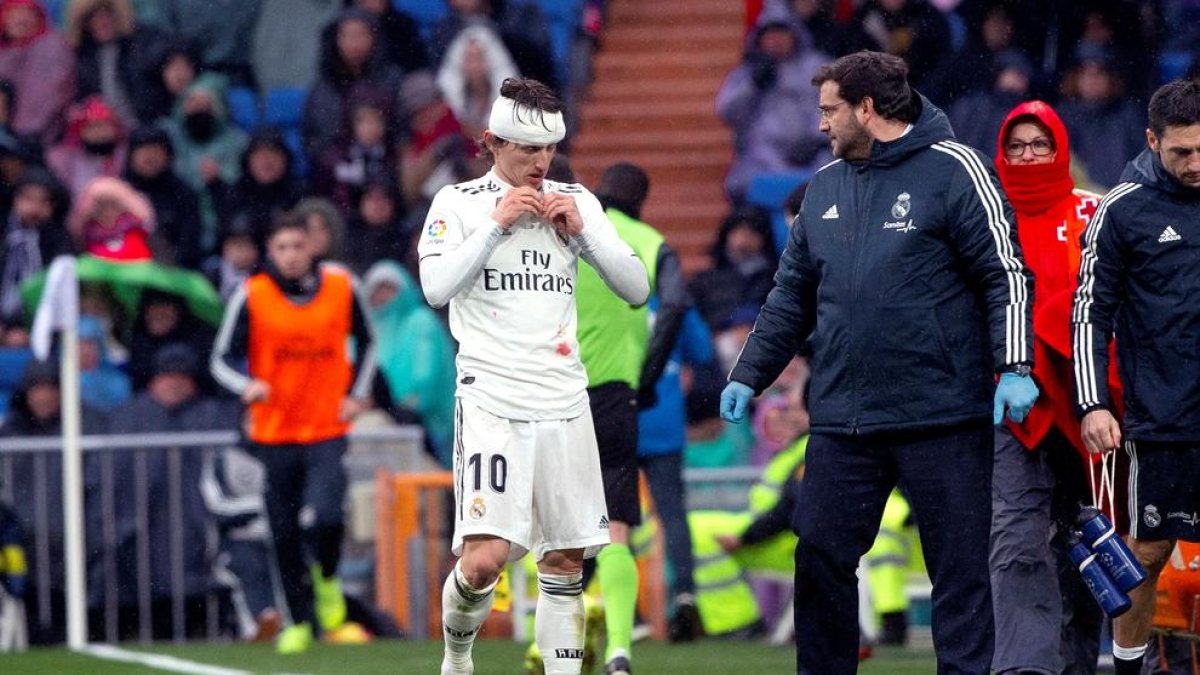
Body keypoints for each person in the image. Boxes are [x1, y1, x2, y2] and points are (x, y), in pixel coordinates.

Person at [719, 51, 1037, 675]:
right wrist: (749, 373)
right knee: (818, 554)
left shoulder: (957, 170)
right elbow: (791, 295)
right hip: (844, 418)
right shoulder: (826, 187)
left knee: (959, 572)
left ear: (868, 109)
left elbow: (1006, 274)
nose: (821, 126)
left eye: (830, 111)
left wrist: (1015, 365)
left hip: (941, 413)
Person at [418, 77, 649, 675]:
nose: (539, 163)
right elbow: (437, 289)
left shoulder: (576, 201)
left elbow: (636, 288)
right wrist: (494, 225)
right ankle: (457, 657)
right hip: (492, 398)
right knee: (484, 561)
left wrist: (587, 236)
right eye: (526, 149)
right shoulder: (458, 203)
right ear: (491, 142)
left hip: (566, 400)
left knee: (567, 560)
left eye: (548, 149)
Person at [1071, 78, 1200, 675]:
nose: (1196, 163)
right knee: (1146, 552)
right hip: (1160, 416)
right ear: (1152, 141)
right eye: (1181, 153)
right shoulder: (1121, 210)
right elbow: (1089, 312)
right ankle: (1128, 670)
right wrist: (1094, 404)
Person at [210, 211, 377, 654]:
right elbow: (220, 359)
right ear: (270, 252)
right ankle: (300, 621)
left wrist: (356, 394)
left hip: (326, 425)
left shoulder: (342, 286)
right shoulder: (253, 294)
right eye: (281, 248)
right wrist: (247, 385)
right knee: (282, 530)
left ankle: (328, 588)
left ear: (313, 248)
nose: (290, 256)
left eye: (297, 246)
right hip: (274, 430)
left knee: (327, 516)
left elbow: (370, 341)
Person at [989, 99, 1113, 675]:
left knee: (1087, 547)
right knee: (1017, 541)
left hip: (1092, 407)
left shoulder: (1095, 213)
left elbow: (1114, 303)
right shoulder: (984, 218)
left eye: (1040, 144)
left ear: (1060, 148)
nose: (1027, 155)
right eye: (1016, 146)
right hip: (1009, 407)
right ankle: (1026, 669)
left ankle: (1078, 664)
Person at [570, 162, 691, 674]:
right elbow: (678, 303)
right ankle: (620, 645)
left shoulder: (569, 227)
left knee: (558, 529)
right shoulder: (650, 240)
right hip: (616, 395)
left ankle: (554, 644)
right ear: (642, 199)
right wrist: (648, 375)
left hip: (558, 390)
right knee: (616, 525)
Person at [714, 8, 829, 202]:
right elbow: (726, 112)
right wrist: (753, 85)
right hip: (762, 160)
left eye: (782, 33)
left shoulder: (818, 67)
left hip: (813, 157)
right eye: (770, 34)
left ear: (794, 34)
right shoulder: (747, 72)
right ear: (759, 39)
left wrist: (816, 140)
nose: (776, 40)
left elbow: (835, 107)